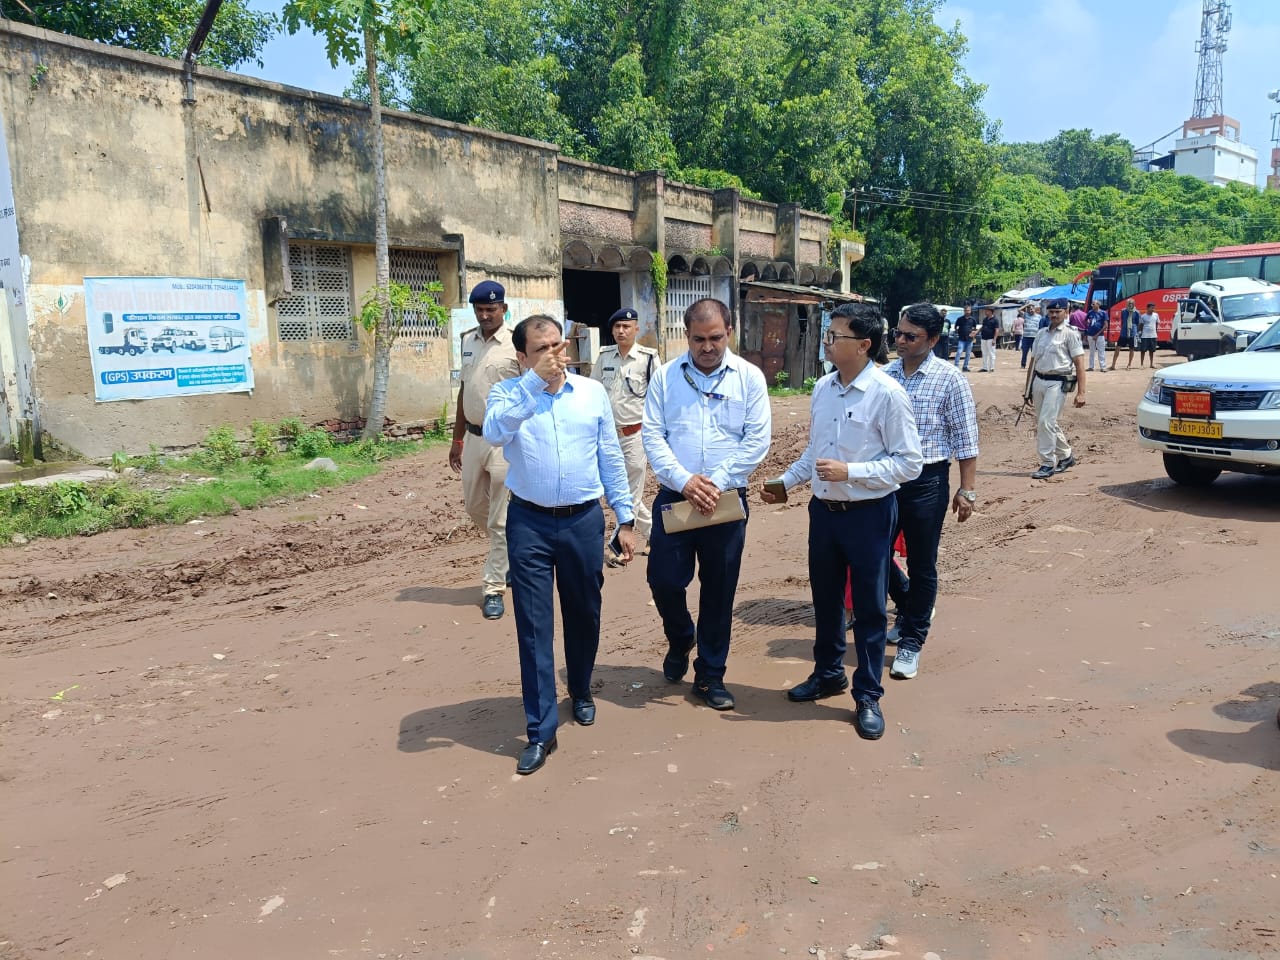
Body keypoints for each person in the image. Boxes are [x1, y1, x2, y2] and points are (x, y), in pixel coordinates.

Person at [483, 315, 636, 775]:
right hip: (528, 522)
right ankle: (540, 730)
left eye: (558, 344)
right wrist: (533, 385)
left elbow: (609, 453)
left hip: (583, 521)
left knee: (584, 611)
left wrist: (624, 517)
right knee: (533, 625)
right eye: (543, 348)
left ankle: (582, 688)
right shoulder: (508, 394)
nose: (555, 354)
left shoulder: (590, 394)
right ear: (523, 357)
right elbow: (494, 433)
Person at [761, 303, 922, 740]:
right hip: (825, 512)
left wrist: (853, 472)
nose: (827, 343)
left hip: (869, 513)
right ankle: (828, 673)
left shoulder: (887, 394)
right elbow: (816, 454)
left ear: (864, 345)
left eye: (836, 336)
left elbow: (910, 464)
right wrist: (787, 481)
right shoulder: (825, 389)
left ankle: (867, 694)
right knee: (827, 600)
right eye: (827, 335)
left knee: (869, 607)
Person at [643, 298, 771, 711]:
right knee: (663, 580)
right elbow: (653, 436)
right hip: (675, 498)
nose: (707, 346)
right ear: (687, 336)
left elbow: (757, 441)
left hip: (726, 501)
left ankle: (710, 675)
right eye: (699, 339)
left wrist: (712, 481)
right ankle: (681, 637)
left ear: (729, 332)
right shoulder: (665, 378)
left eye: (715, 337)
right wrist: (684, 481)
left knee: (718, 591)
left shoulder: (749, 379)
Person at [881, 302, 980, 680]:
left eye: (911, 336)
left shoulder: (949, 379)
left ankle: (911, 641)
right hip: (884, 480)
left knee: (922, 562)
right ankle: (908, 604)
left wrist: (966, 490)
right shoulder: (886, 375)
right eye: (899, 334)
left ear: (934, 339)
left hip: (926, 481)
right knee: (874, 555)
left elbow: (966, 439)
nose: (901, 341)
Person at [449, 280, 521, 620]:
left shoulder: (516, 344)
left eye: (491, 309)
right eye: (479, 309)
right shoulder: (467, 341)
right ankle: (509, 553)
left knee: (498, 520)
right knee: (474, 506)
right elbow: (465, 391)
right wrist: (457, 438)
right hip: (475, 439)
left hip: (505, 442)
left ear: (503, 309)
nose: (485, 314)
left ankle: (494, 588)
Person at [591, 307, 659, 560]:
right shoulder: (605, 357)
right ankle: (655, 534)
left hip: (635, 434)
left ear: (636, 329)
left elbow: (657, 398)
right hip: (608, 435)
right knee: (615, 491)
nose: (621, 331)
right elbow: (593, 390)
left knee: (630, 491)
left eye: (626, 326)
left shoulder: (649, 358)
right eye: (617, 327)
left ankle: (621, 546)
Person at [1024, 298, 1087, 480]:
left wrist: (1081, 393)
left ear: (1066, 312)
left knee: (1045, 422)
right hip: (1039, 381)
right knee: (1047, 422)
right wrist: (1027, 388)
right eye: (1051, 312)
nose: (1053, 315)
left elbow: (1080, 364)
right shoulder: (1041, 333)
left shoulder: (1070, 334)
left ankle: (1047, 463)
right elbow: (1033, 362)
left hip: (1058, 383)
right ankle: (1066, 456)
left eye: (1057, 312)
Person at [1112, 298, 1139, 370]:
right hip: (1123, 332)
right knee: (1117, 348)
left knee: (1131, 349)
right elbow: (1122, 320)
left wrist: (1135, 331)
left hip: (1132, 332)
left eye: (1131, 303)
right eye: (1129, 303)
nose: (1130, 305)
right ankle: (1113, 365)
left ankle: (1129, 364)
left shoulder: (1136, 312)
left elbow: (1137, 322)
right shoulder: (1123, 311)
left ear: (1134, 304)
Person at [1085, 298, 1108, 372]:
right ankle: (1091, 366)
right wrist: (1088, 323)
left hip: (1100, 335)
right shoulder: (1090, 312)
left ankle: (1103, 366)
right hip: (1090, 334)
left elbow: (1105, 325)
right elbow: (1085, 320)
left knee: (1101, 351)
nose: (1092, 305)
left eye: (1093, 304)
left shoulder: (1103, 313)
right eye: (1092, 304)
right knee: (1091, 351)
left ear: (1098, 305)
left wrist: (1097, 335)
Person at [953, 304, 976, 371]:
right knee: (959, 352)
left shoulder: (973, 320)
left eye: (968, 310)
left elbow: (974, 328)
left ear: (970, 311)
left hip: (970, 339)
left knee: (968, 354)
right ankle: (956, 366)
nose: (967, 311)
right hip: (961, 339)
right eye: (966, 310)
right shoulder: (959, 319)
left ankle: (965, 367)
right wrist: (959, 332)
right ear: (964, 311)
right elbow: (956, 327)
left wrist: (973, 333)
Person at [1137, 303, 1160, 368]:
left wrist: (1156, 332)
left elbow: (1157, 324)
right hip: (1145, 336)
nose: (1153, 309)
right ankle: (1142, 364)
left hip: (1153, 336)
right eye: (1151, 308)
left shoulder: (1156, 315)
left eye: (1153, 308)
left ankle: (1151, 364)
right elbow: (1141, 326)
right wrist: (1140, 333)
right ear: (1147, 308)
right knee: (1143, 351)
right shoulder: (1143, 316)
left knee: (1152, 351)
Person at [1020, 301, 1041, 369]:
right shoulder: (1026, 315)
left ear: (1034, 309)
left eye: (1032, 309)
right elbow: (1019, 310)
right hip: (1026, 337)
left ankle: (1034, 365)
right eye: (1029, 309)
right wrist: (1027, 305)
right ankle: (1023, 365)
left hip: (1035, 337)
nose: (1030, 310)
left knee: (1034, 352)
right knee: (1024, 352)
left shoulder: (1039, 317)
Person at [978, 306, 998, 372]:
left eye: (987, 311)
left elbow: (996, 330)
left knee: (991, 353)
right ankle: (985, 367)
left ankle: (992, 367)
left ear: (990, 311)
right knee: (984, 353)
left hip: (991, 338)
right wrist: (976, 332)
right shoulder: (985, 319)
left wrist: (994, 339)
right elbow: (982, 327)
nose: (985, 312)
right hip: (984, 338)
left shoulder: (995, 320)